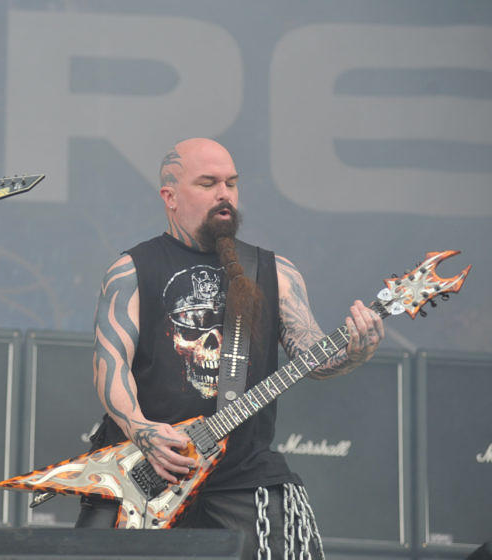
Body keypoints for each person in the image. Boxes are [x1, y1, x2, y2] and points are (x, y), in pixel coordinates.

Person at [75, 138, 384, 558]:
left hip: (241, 474)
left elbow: (314, 356)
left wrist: (355, 350)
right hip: (146, 467)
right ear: (170, 196)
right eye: (208, 183)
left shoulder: (275, 272)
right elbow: (109, 365)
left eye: (231, 184)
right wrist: (141, 429)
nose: (225, 194)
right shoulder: (132, 269)